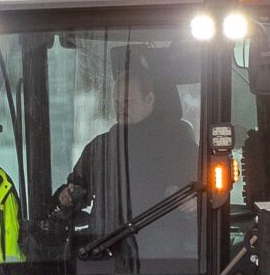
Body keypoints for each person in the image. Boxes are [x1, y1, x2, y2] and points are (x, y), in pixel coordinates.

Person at [54, 50, 196, 249]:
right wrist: (67, 195)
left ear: (150, 99)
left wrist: (195, 204)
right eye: (117, 102)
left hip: (166, 259)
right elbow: (77, 188)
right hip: (106, 250)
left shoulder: (178, 145)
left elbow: (202, 193)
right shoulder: (102, 146)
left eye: (128, 102)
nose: (120, 108)